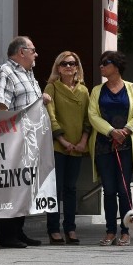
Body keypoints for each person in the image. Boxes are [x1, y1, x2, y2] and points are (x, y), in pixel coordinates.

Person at [0, 36, 51, 248]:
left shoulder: (29, 74)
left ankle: (18, 230)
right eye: (33, 50)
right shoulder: (5, 71)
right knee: (11, 185)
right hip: (13, 138)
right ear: (21, 51)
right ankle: (6, 235)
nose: (36, 54)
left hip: (31, 140)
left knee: (24, 185)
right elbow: (1, 106)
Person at [88, 50, 133, 247]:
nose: (101, 66)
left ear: (116, 66)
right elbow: (93, 116)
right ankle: (110, 231)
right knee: (109, 190)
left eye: (106, 63)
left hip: (126, 146)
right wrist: (111, 131)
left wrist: (126, 131)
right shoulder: (97, 90)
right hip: (104, 145)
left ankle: (126, 232)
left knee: (123, 189)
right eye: (101, 63)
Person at [43, 51, 91, 244]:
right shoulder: (52, 87)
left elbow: (88, 118)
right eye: (64, 64)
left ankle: (70, 228)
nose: (68, 67)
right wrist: (62, 140)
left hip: (78, 146)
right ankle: (53, 229)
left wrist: (83, 141)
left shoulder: (84, 91)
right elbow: (50, 116)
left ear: (77, 67)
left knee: (71, 188)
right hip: (57, 145)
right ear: (58, 67)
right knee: (56, 188)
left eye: (72, 63)